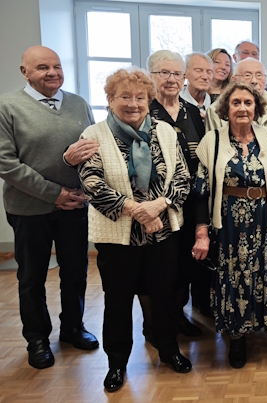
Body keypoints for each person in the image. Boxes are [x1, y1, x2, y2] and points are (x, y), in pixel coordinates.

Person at [78, 68, 193, 392]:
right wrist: (137, 210)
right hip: (118, 237)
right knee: (117, 301)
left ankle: (169, 350)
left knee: (164, 296)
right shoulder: (94, 134)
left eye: (140, 97)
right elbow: (91, 183)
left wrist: (159, 205)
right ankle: (117, 363)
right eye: (124, 97)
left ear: (148, 100)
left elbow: (182, 177)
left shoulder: (165, 132)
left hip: (163, 232)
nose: (133, 103)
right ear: (110, 99)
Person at [0, 45, 97, 370]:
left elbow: (93, 150)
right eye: (43, 67)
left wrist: (85, 190)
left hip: (75, 207)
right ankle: (37, 338)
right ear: (25, 72)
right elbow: (6, 163)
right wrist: (54, 193)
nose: (52, 72)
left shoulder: (79, 103)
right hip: (29, 209)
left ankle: (73, 328)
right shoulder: (7, 107)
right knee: (32, 278)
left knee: (75, 272)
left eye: (57, 66)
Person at [191, 82, 267, 368]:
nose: (242, 108)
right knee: (233, 278)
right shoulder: (211, 141)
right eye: (236, 102)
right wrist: (202, 232)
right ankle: (237, 338)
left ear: (256, 108)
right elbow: (200, 193)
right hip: (229, 227)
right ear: (226, 108)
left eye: (248, 103)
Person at [146, 49, 207, 336]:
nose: (171, 79)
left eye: (176, 74)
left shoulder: (192, 112)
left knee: (185, 265)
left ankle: (178, 317)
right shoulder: (144, 111)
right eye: (164, 73)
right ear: (151, 76)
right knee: (159, 268)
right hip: (157, 206)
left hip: (190, 203)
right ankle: (154, 325)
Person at [205, 58, 267, 133]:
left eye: (259, 75)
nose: (254, 81)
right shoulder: (215, 111)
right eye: (247, 75)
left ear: (265, 79)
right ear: (234, 80)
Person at [180, 53, 214, 119]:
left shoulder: (217, 105)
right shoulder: (175, 103)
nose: (205, 77)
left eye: (209, 72)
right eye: (198, 71)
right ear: (185, 73)